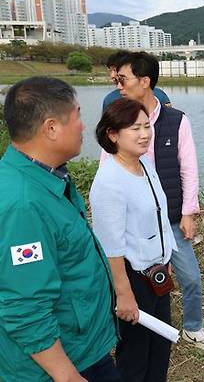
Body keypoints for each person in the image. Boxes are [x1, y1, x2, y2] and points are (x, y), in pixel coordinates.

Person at [0, 77, 119, 381]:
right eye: (78, 114)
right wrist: (66, 375)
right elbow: (25, 305)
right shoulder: (23, 204)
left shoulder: (47, 177)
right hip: (61, 366)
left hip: (83, 348)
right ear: (51, 127)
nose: (83, 125)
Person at [107, 52, 204, 352]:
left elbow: (189, 167)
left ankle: (194, 328)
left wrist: (188, 212)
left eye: (123, 79)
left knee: (191, 278)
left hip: (169, 218)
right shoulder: (118, 118)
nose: (118, 85)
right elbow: (107, 166)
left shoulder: (176, 120)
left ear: (145, 82)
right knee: (139, 282)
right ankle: (137, 333)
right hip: (134, 220)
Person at [91, 98, 177, 381]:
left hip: (157, 276)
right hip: (133, 279)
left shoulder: (145, 165)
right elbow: (110, 246)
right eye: (134, 128)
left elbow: (159, 217)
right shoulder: (109, 181)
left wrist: (167, 259)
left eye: (146, 126)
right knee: (135, 355)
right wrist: (124, 293)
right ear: (112, 134)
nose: (144, 134)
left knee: (159, 349)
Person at [102, 50, 171, 112]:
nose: (112, 75)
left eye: (114, 70)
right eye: (110, 70)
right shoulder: (110, 99)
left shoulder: (160, 96)